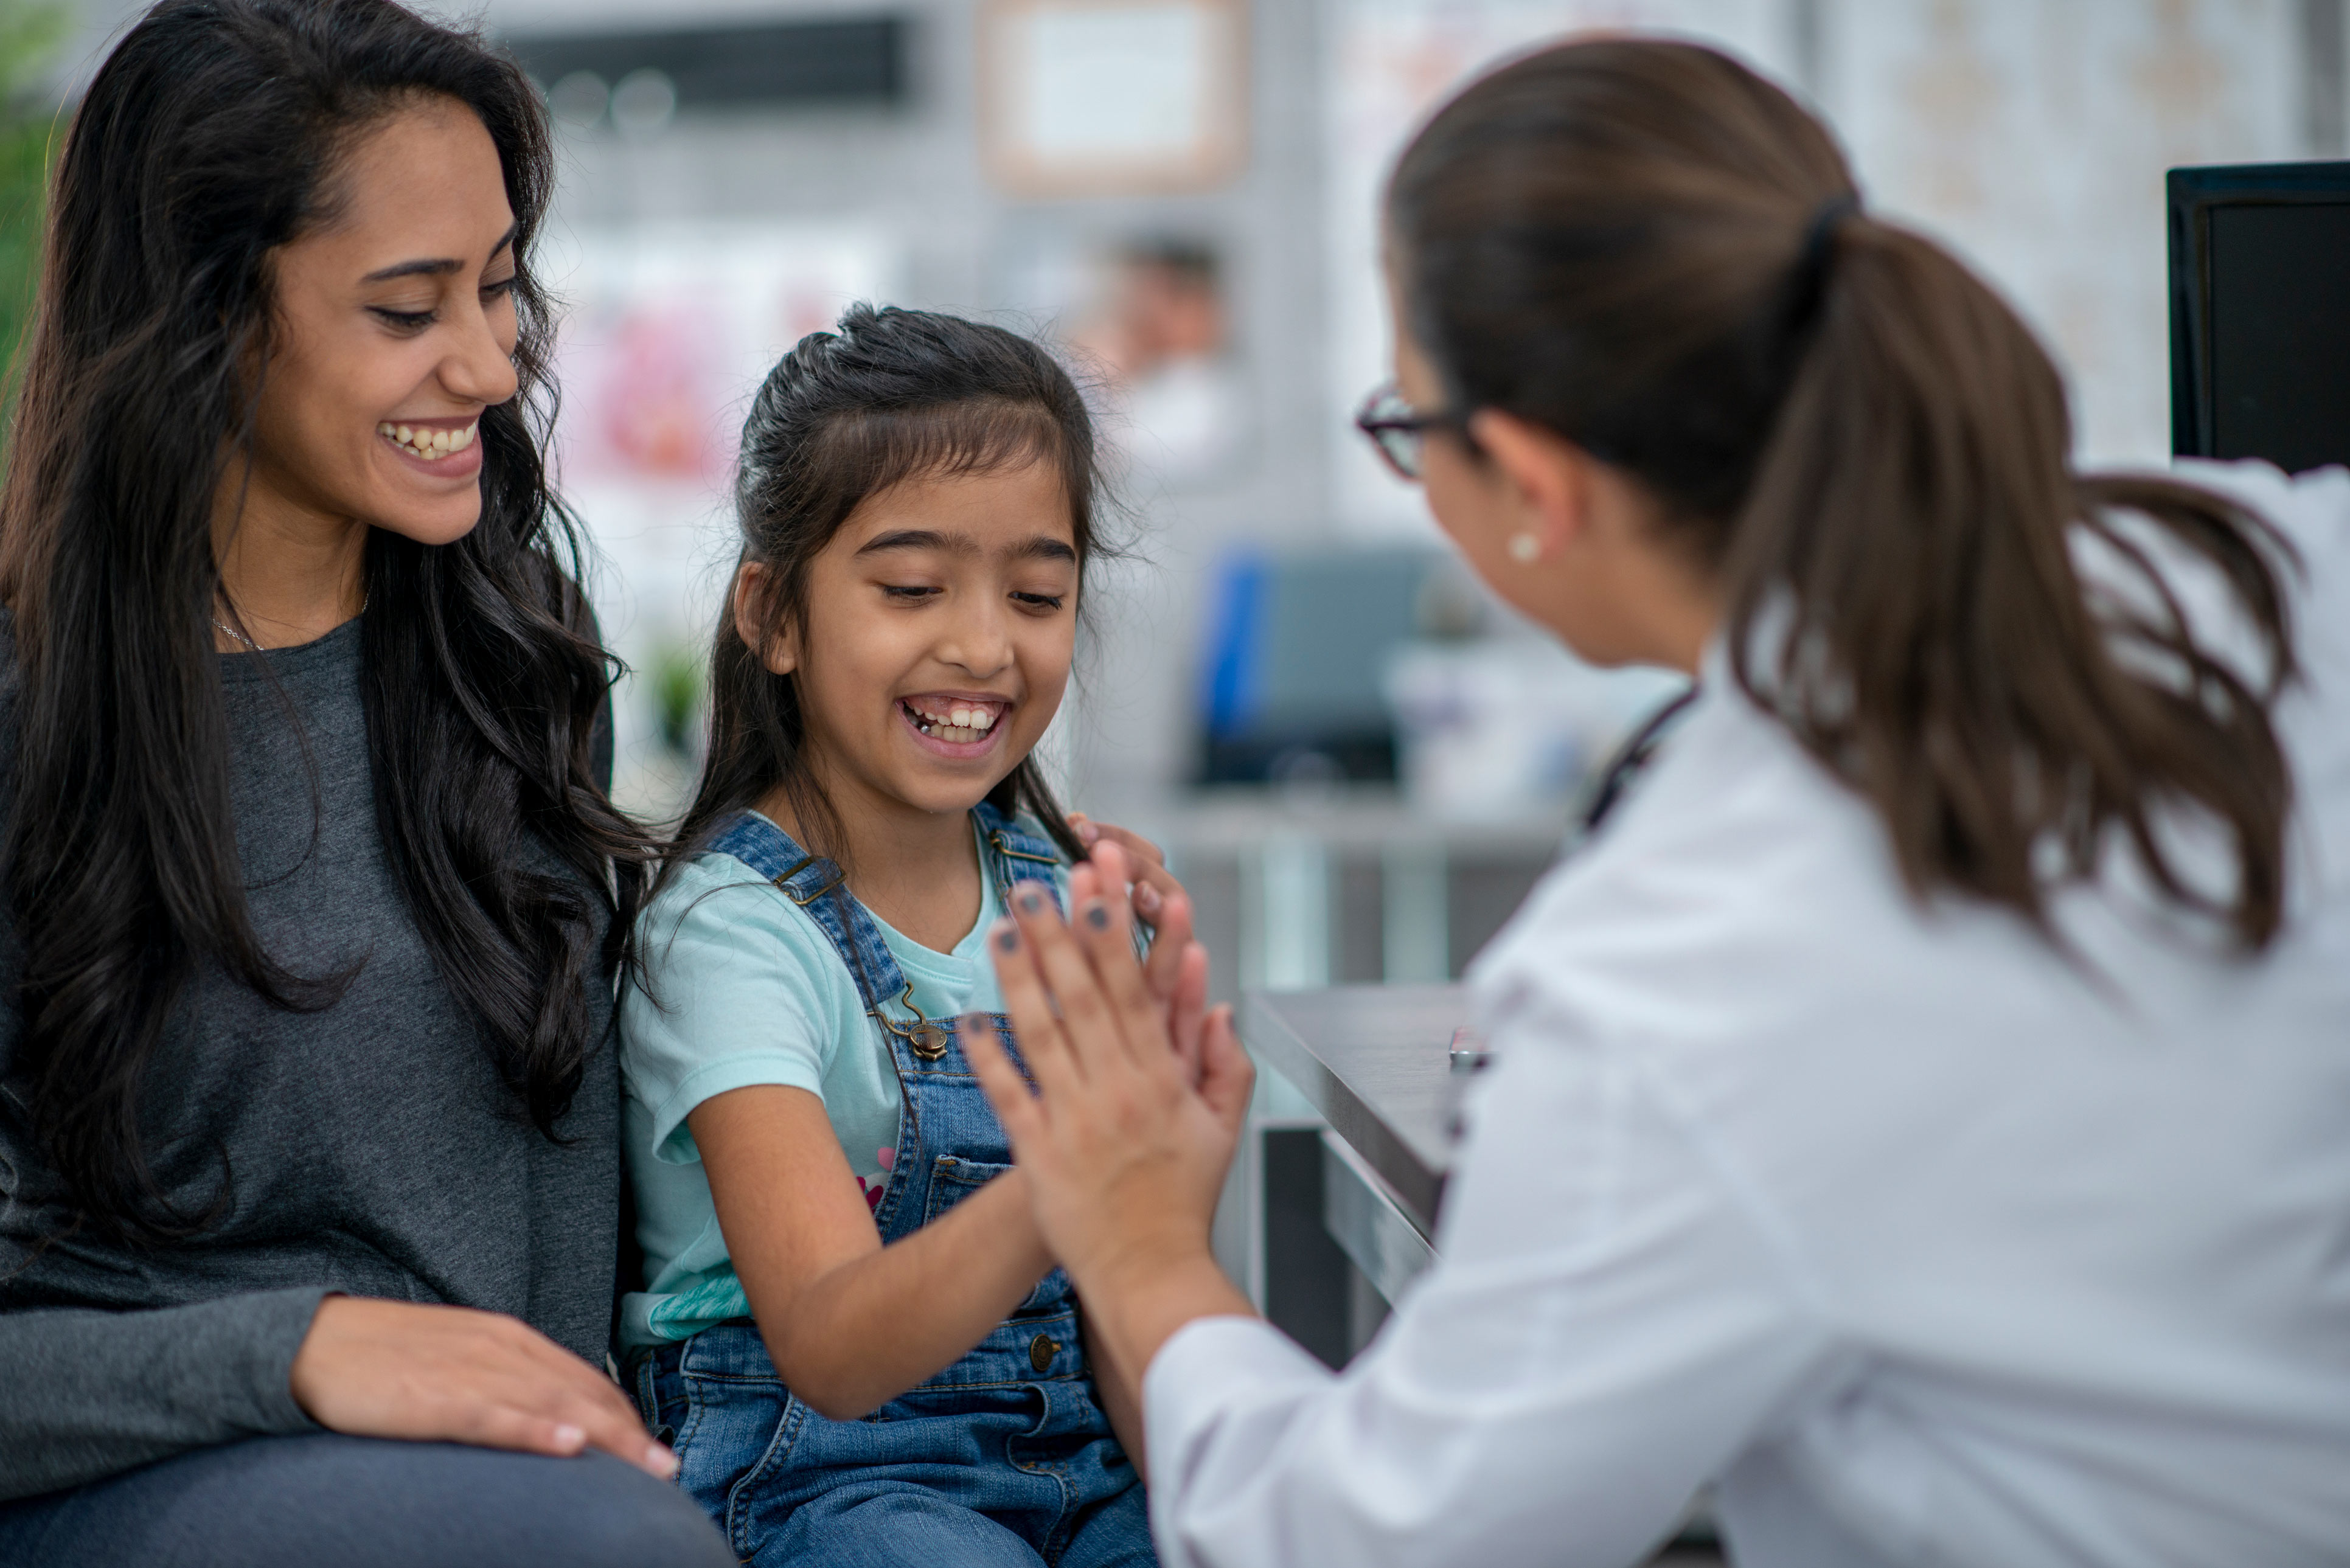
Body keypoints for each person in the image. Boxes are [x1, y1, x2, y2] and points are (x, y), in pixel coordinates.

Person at [960, 38, 2350, 1568]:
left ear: (1537, 488)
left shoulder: (1684, 970)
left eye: (1408, 427)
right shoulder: (2266, 551)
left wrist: (1146, 1244)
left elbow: (1373, 1540)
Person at [0, 3, 731, 1562]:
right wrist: (301, 1348)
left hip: (519, 1475)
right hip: (152, 1459)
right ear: (205, 321)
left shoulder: (511, 650)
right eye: (408, 309)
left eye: (499, 285)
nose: (491, 360)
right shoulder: (33, 722)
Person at [617, 305, 1196, 1567]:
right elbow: (828, 1344)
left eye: (1036, 592)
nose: (984, 644)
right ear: (772, 614)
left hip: (1080, 1458)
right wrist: (1079, 1165)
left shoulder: (1060, 896)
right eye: (912, 587)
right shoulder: (732, 934)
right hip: (830, 1483)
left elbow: (1133, 1305)